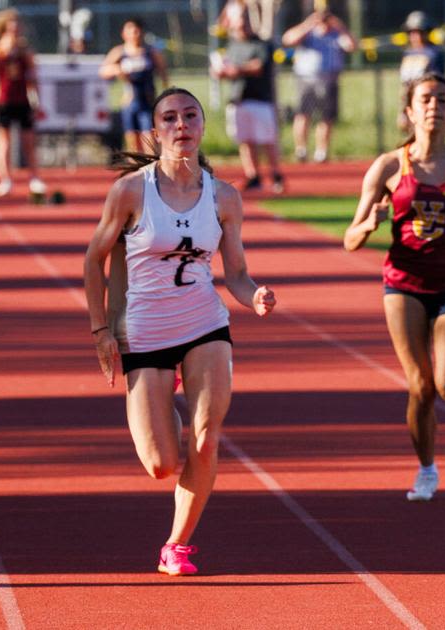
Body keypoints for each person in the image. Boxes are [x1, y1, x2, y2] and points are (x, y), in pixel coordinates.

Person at [83, 86, 276, 576]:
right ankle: (160, 395)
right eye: (170, 117)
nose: (181, 125)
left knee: (207, 436)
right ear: (155, 132)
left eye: (190, 115)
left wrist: (253, 294)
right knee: (161, 465)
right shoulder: (131, 191)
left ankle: (178, 544)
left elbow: (234, 273)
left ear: (203, 126)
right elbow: (94, 259)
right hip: (144, 331)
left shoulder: (224, 197)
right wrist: (101, 328)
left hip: (204, 324)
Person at [343, 74, 445, 502]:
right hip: (403, 283)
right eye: (426, 99)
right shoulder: (389, 166)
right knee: (420, 386)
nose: (435, 106)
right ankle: (427, 470)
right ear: (410, 111)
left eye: (443, 100)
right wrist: (369, 223)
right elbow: (350, 238)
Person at [214, 7, 283, 193]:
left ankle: (276, 174)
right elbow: (226, 67)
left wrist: (237, 70)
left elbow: (258, 66)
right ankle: (253, 175)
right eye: (238, 20)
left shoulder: (261, 44)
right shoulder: (232, 45)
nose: (241, 24)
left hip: (260, 99)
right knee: (245, 140)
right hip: (238, 100)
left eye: (244, 20)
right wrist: (221, 72)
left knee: (267, 140)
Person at [0, 8, 45, 198]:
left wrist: (38, 103)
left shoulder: (25, 52)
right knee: (4, 141)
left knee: (29, 141)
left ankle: (34, 178)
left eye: (17, 28)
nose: (15, 32)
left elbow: (34, 80)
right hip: (4, 101)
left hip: (23, 101)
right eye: (10, 29)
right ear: (2, 29)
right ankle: (5, 179)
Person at [281, 9, 355, 163]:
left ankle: (321, 152)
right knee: (303, 115)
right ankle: (301, 150)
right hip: (306, 79)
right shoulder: (308, 32)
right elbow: (287, 39)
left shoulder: (336, 33)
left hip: (329, 80)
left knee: (326, 118)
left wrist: (340, 26)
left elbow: (352, 46)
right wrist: (309, 24)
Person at [100, 18, 168, 154]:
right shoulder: (119, 52)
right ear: (124, 33)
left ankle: (152, 169)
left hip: (147, 101)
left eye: (137, 31)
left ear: (142, 32)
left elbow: (163, 74)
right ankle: (136, 170)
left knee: (149, 137)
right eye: (130, 31)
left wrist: (165, 99)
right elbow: (103, 71)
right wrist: (117, 70)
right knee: (132, 139)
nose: (134, 34)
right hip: (130, 102)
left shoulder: (151, 52)